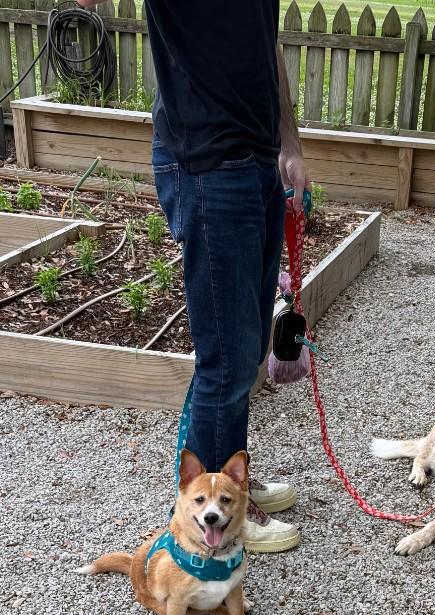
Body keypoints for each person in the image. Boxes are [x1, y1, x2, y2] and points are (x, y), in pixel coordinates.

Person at [77, 0, 310, 553]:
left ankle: (226, 488)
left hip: (257, 161)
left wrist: (291, 142)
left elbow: (265, 45)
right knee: (225, 360)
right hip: (205, 163)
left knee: (246, 346)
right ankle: (214, 515)